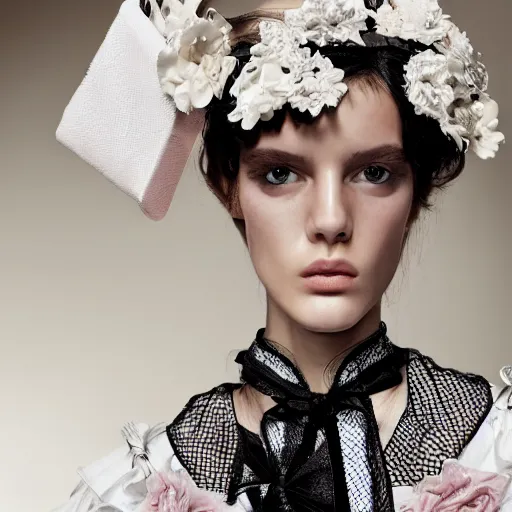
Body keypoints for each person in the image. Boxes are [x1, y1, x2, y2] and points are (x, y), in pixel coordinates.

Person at [52, 0, 511, 510]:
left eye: (375, 172)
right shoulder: (142, 491)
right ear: (228, 187)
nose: (331, 220)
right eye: (280, 174)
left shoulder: (497, 453)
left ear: (417, 190)